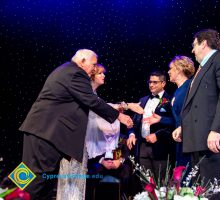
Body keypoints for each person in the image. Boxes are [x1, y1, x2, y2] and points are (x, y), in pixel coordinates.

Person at [19, 49, 133, 200]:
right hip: (46, 133)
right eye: (93, 64)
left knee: (30, 175)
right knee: (38, 178)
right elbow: (91, 100)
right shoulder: (75, 73)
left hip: (40, 131)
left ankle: (11, 193)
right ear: (82, 61)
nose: (94, 68)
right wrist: (119, 116)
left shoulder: (65, 70)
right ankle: (14, 196)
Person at [172, 28, 220, 200]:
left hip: (216, 140)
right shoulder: (203, 68)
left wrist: (217, 130)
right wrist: (184, 127)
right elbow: (200, 104)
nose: (192, 50)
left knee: (218, 193)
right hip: (200, 141)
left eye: (194, 45)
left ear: (204, 43)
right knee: (205, 193)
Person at [56, 64, 143, 200]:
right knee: (64, 176)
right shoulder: (85, 91)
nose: (104, 75)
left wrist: (118, 160)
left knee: (77, 179)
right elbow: (99, 107)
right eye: (100, 73)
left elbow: (100, 107)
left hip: (82, 146)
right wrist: (126, 106)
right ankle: (15, 192)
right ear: (92, 75)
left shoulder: (93, 94)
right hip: (67, 140)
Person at [143, 56, 195, 166]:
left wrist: (183, 128)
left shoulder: (190, 87)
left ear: (179, 69)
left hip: (190, 140)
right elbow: (176, 120)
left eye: (171, 68)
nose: (168, 71)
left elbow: (194, 114)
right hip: (180, 141)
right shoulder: (177, 92)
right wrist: (161, 119)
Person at [126, 71, 175, 180]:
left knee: (161, 183)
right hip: (142, 146)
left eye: (155, 82)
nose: (151, 85)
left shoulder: (170, 100)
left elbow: (174, 123)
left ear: (163, 83)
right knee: (145, 182)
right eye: (150, 82)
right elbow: (134, 122)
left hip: (160, 148)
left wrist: (157, 135)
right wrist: (132, 134)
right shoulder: (143, 100)